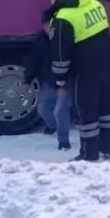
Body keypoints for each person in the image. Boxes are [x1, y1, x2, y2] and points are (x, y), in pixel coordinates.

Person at [44, 0, 110, 162]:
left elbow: (60, 52)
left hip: (84, 70)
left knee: (86, 112)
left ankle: (89, 153)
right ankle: (107, 147)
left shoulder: (63, 17)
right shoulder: (95, 4)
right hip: (108, 64)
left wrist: (59, 77)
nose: (49, 0)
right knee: (106, 108)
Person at [25, 9, 72, 151]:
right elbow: (34, 60)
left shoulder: (67, 37)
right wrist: (27, 79)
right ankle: (53, 126)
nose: (49, 29)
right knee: (43, 108)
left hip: (65, 80)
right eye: (46, 26)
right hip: (49, 80)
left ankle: (63, 141)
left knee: (60, 111)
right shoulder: (40, 40)